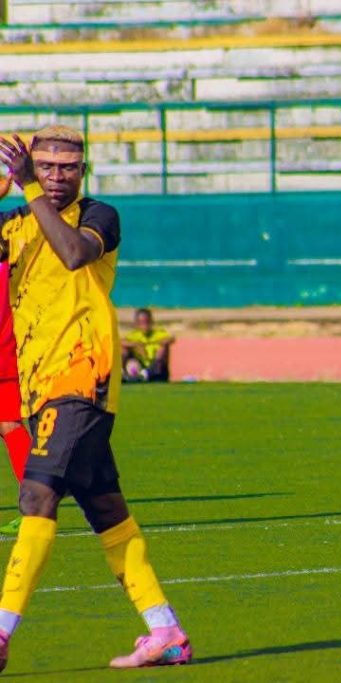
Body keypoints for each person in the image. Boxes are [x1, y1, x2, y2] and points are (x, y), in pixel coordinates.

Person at [0, 125, 190, 672]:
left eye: (68, 168)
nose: (57, 177)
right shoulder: (14, 223)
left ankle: (2, 630)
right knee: (106, 510)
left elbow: (73, 254)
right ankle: (166, 630)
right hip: (40, 382)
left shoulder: (99, 216)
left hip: (83, 375)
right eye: (46, 167)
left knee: (37, 495)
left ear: (83, 172)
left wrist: (28, 187)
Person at [0, 259, 28, 537]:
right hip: (10, 356)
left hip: (5, 357)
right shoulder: (13, 268)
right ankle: (36, 500)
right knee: (9, 426)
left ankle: (36, 500)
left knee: (9, 426)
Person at [121, 307, 174, 383]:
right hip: (140, 366)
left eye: (146, 322)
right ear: (137, 323)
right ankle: (126, 375)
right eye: (141, 322)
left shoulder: (158, 333)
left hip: (158, 370)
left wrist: (158, 342)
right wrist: (136, 345)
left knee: (163, 348)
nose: (144, 325)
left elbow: (171, 339)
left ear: (151, 321)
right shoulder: (133, 335)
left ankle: (148, 373)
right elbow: (121, 341)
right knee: (124, 350)